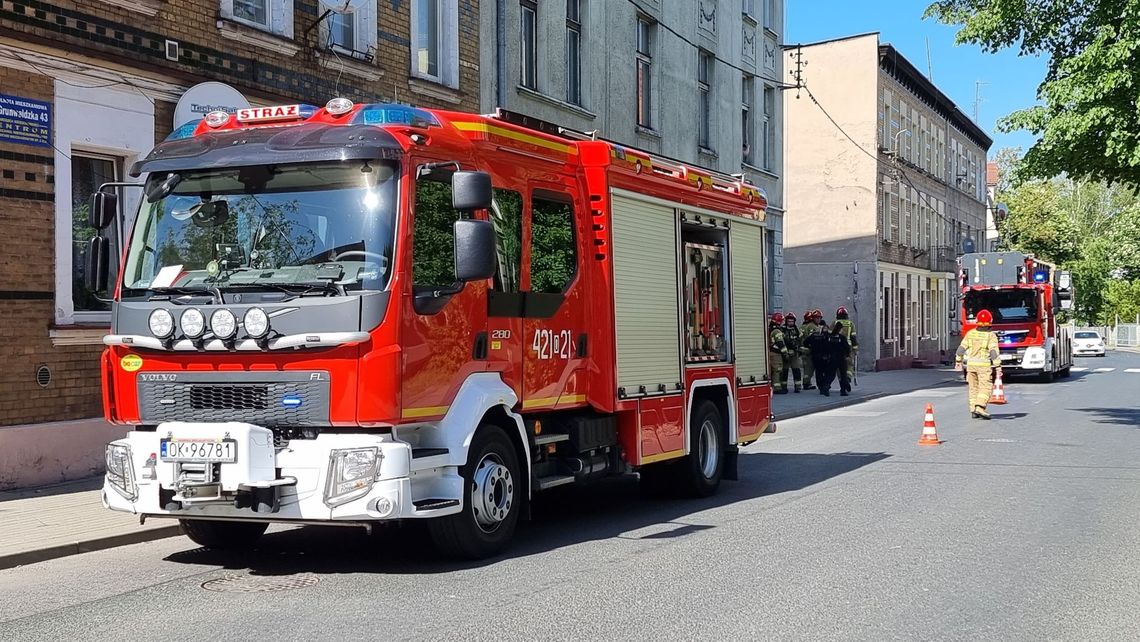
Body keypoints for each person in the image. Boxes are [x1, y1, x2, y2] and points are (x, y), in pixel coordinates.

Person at [955, 308, 1001, 419]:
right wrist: (998, 367)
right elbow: (993, 352)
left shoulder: (970, 334)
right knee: (985, 388)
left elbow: (961, 349)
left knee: (973, 388)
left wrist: (958, 361)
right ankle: (980, 407)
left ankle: (973, 410)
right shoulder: (991, 336)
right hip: (984, 366)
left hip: (970, 366)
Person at [805, 321, 834, 395]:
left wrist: (811, 348)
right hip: (826, 357)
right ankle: (825, 386)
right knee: (827, 373)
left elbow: (805, 342)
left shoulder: (814, 335)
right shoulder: (829, 335)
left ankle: (821, 387)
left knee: (819, 373)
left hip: (816, 357)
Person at [781, 313, 805, 393]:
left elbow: (800, 340)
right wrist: (786, 351)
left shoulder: (796, 329)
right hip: (786, 353)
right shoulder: (782, 329)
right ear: (786, 321)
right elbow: (781, 341)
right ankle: (783, 386)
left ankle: (797, 386)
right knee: (784, 371)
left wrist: (799, 350)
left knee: (796, 370)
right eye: (789, 321)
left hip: (795, 353)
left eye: (792, 321)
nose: (790, 323)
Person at [828, 321, 853, 396]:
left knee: (831, 375)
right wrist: (848, 355)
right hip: (841, 359)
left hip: (832, 358)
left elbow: (826, 347)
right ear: (840, 329)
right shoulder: (842, 338)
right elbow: (847, 347)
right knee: (843, 375)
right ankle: (843, 391)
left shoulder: (830, 337)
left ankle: (825, 388)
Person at [835, 306, 858, 383]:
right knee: (849, 364)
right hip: (848, 348)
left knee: (838, 365)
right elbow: (853, 337)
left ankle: (841, 379)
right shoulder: (850, 324)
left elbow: (830, 335)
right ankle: (848, 377)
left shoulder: (835, 323)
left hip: (837, 347)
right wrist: (855, 348)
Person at [768, 313, 789, 394]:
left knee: (774, 370)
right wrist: (785, 353)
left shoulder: (771, 329)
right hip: (776, 354)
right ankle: (777, 388)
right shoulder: (777, 331)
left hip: (772, 352)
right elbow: (780, 343)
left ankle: (776, 386)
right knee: (777, 370)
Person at [799, 311, 819, 390]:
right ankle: (806, 383)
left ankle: (808, 382)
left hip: (803, 349)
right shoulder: (811, 327)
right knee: (809, 368)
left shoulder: (802, 327)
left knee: (807, 367)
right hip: (808, 350)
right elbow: (812, 339)